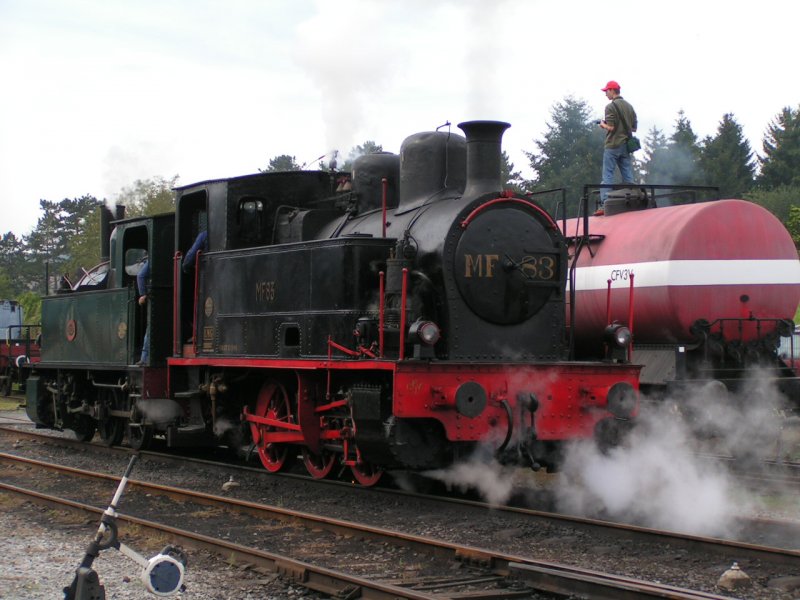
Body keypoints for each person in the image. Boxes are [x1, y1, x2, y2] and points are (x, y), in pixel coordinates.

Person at [597, 80, 637, 214]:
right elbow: (634, 128)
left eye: (606, 91)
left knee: (607, 176)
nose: (605, 94)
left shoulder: (610, 107)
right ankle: (632, 200)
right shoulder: (629, 106)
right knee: (628, 176)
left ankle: (605, 204)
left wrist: (602, 125)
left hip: (613, 145)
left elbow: (611, 127)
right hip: (625, 146)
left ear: (612, 90)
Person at [136, 258, 150, 365]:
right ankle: (144, 357)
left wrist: (143, 294)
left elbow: (140, 276)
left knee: (150, 329)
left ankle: (144, 358)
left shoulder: (150, 261)